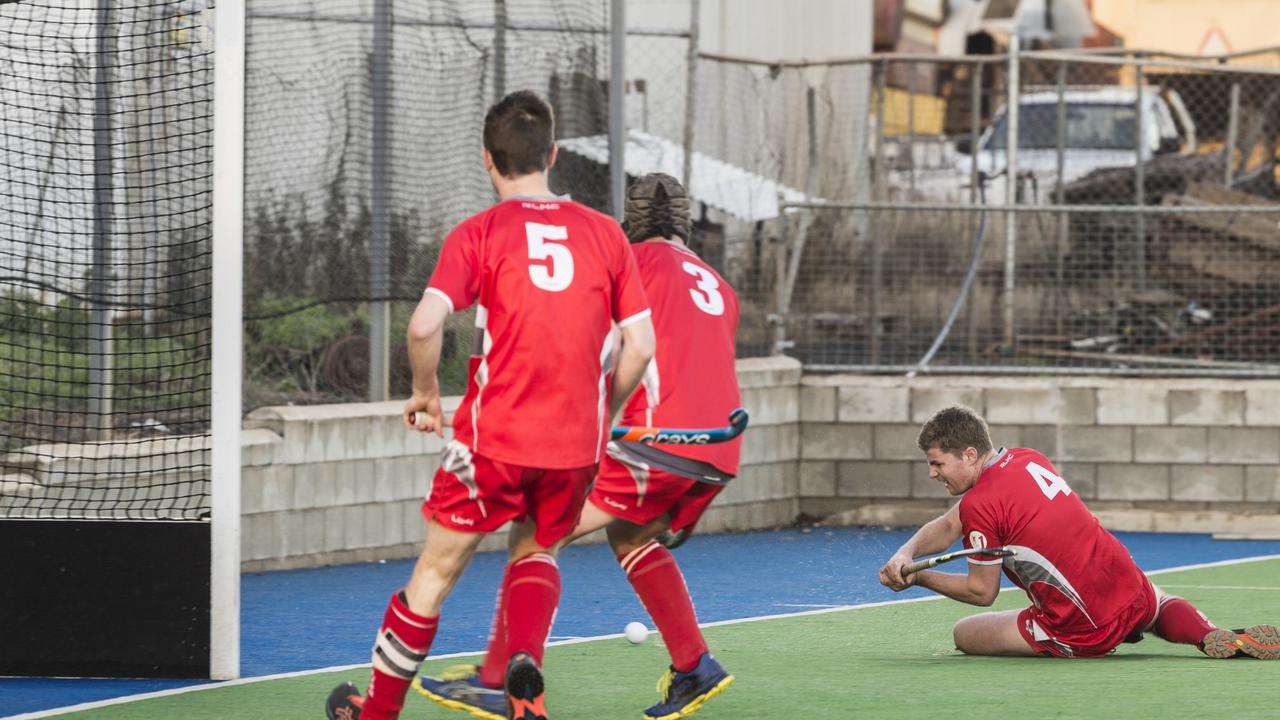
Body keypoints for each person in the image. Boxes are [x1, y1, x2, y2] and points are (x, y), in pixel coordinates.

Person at [325, 90, 656, 720]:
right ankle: (523, 677)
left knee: (435, 574)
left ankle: (379, 714)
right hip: (572, 447)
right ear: (552, 154)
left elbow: (424, 327)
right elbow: (639, 345)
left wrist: (425, 394)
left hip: (491, 442)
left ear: (487, 159)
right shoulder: (606, 234)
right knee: (536, 552)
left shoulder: (480, 233)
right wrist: (601, 413)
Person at [416, 173, 741, 720]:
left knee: (536, 538)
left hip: (649, 440)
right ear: (686, 223)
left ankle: (500, 681)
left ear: (627, 222)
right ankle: (693, 666)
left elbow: (600, 343)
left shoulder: (627, 264)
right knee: (629, 534)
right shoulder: (719, 285)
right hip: (717, 452)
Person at [879, 404, 1279, 660]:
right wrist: (906, 552)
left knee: (964, 634)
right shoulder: (1026, 457)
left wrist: (919, 576)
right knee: (1156, 603)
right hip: (1127, 582)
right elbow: (951, 524)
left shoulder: (980, 504)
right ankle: (1207, 634)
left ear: (969, 455)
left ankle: (1101, 635)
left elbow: (981, 593)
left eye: (937, 464)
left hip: (1081, 625)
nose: (932, 474)